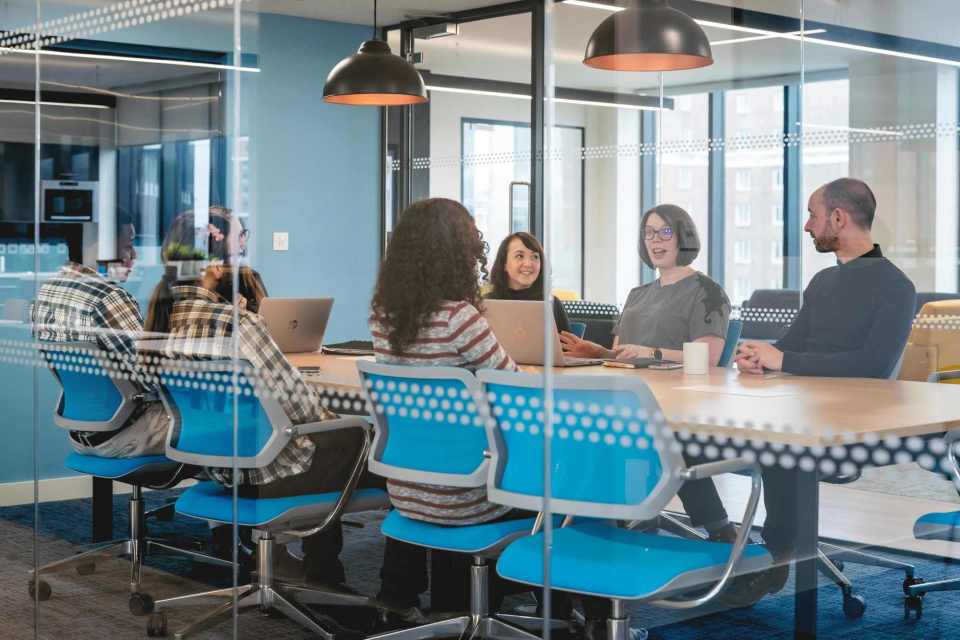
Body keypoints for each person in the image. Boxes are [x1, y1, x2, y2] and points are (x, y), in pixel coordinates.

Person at [732, 177, 916, 602]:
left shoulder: (896, 287)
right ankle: (765, 549)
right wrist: (762, 357)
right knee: (765, 435)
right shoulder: (821, 283)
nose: (807, 226)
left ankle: (780, 554)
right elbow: (792, 347)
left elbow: (873, 367)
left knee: (781, 443)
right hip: (801, 411)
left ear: (838, 217)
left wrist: (785, 360)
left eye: (813, 215)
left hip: (850, 424)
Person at [145, 263, 375, 589]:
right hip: (266, 469)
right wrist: (343, 423)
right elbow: (301, 408)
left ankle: (309, 570)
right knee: (361, 442)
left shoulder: (168, 322)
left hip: (218, 465)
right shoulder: (239, 324)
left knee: (335, 441)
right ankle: (331, 577)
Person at [370, 198, 520, 618]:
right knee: (564, 483)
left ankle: (417, 600)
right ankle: (577, 619)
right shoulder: (460, 318)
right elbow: (518, 392)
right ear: (456, 252)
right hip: (465, 495)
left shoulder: (382, 316)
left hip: (406, 490)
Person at [559, 204, 738, 543]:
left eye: (665, 232)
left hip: (677, 405)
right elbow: (622, 354)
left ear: (683, 237)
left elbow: (711, 358)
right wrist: (597, 352)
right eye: (649, 233)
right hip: (629, 399)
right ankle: (586, 533)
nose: (655, 240)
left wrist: (651, 354)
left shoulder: (707, 291)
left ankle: (720, 531)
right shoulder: (638, 294)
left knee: (645, 440)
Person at [31, 261, 168, 457]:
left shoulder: (45, 295)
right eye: (129, 245)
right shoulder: (109, 297)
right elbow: (149, 380)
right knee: (216, 427)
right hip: (128, 434)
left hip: (82, 433)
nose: (134, 256)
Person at [486, 231, 572, 333]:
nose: (528, 264)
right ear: (504, 263)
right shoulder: (487, 303)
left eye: (535, 257)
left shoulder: (552, 303)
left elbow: (568, 348)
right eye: (519, 256)